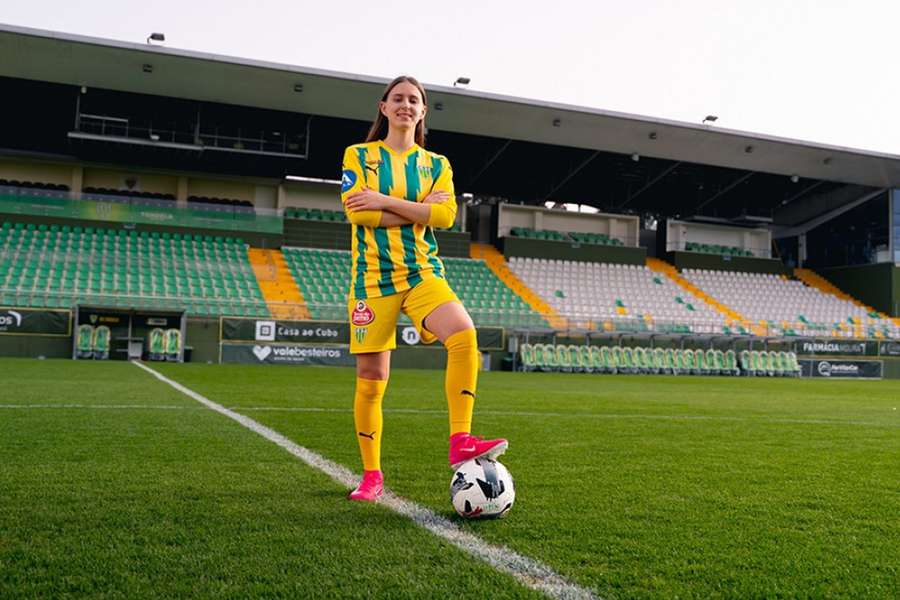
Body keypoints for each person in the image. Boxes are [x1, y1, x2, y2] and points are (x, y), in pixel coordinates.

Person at [340, 75, 507, 502]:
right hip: (371, 281)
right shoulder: (359, 155)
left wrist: (385, 201)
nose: (405, 105)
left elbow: (447, 217)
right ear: (383, 107)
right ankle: (372, 475)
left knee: (464, 335)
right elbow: (360, 216)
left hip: (421, 273)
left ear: (422, 111)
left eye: (413, 100)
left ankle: (461, 439)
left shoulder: (437, 164)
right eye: (397, 98)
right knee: (372, 380)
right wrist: (418, 211)